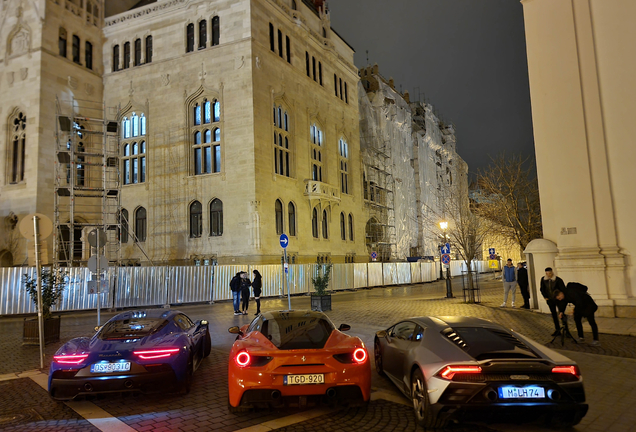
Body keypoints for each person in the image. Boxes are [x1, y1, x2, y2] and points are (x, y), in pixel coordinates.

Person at [539, 267, 566, 336]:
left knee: (562, 313)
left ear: (552, 272)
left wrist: (560, 297)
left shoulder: (558, 280)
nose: (548, 275)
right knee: (554, 315)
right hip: (550, 299)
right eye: (547, 273)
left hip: (558, 299)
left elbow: (563, 289)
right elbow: (542, 289)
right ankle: (557, 329)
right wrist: (545, 297)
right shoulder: (543, 280)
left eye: (550, 273)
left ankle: (566, 330)